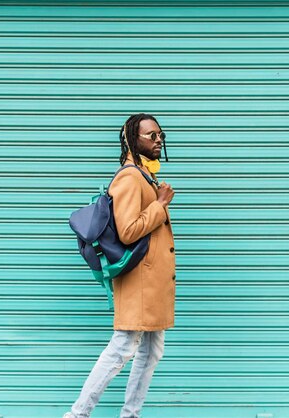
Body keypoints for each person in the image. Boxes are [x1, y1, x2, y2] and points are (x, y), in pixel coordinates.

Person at [63, 113, 176, 418]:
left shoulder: (144, 176)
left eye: (160, 135)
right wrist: (160, 204)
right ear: (131, 140)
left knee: (150, 351)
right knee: (122, 348)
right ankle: (77, 414)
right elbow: (128, 230)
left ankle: (130, 415)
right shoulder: (129, 177)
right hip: (140, 281)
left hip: (150, 285)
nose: (158, 140)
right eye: (151, 135)